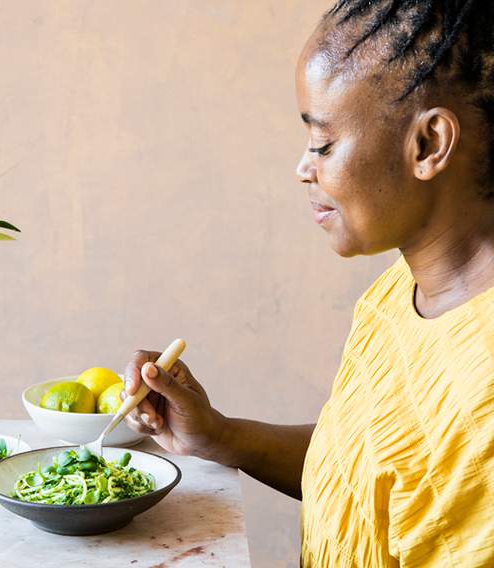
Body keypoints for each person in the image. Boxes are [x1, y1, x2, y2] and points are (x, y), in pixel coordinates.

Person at [123, 2, 494, 566]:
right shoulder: (399, 292)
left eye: (322, 144)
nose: (304, 168)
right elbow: (374, 476)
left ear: (428, 145)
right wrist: (221, 436)